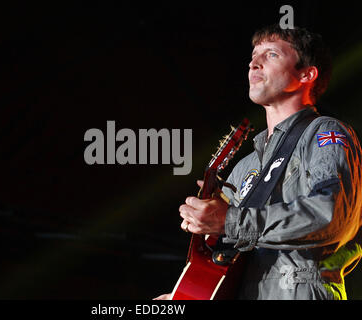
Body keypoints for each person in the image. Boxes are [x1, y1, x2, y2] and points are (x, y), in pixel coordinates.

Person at [155, 24, 362, 300]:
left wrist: (229, 220)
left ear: (306, 74)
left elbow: (331, 215)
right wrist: (187, 293)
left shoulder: (325, 132)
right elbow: (227, 255)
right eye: (254, 55)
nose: (254, 63)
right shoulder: (245, 166)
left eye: (272, 54)